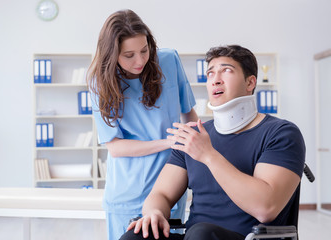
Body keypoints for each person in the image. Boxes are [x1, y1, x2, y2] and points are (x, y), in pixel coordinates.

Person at [121, 45, 306, 240]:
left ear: (250, 82)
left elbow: (265, 207)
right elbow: (161, 194)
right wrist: (155, 212)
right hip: (196, 236)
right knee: (134, 236)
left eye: (226, 70)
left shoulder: (281, 133)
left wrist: (208, 155)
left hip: (247, 238)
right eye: (210, 73)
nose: (215, 79)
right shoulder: (193, 136)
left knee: (202, 233)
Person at [87, 9, 198, 240]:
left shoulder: (168, 61)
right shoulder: (100, 83)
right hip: (128, 193)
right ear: (112, 53)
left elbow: (190, 116)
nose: (140, 61)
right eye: (129, 55)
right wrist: (168, 142)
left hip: (170, 186)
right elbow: (116, 147)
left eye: (144, 50)